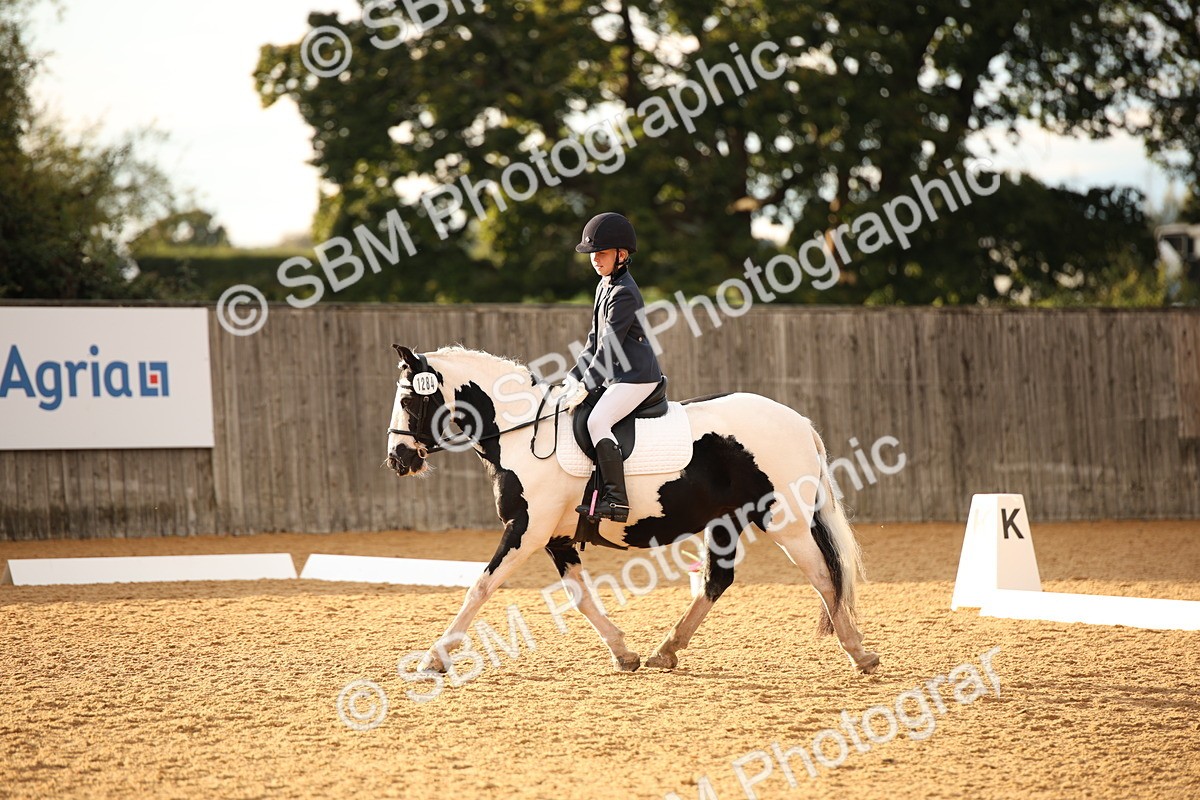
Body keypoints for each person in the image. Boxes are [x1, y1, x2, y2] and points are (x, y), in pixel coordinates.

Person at [566, 212, 663, 523]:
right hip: (617, 376)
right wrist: (572, 379)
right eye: (593, 254)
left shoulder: (623, 293)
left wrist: (587, 385)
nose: (596, 259)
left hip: (636, 377)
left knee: (598, 422)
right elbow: (593, 342)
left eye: (602, 253)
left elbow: (609, 349)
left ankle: (617, 501)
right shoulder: (604, 285)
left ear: (622, 255)